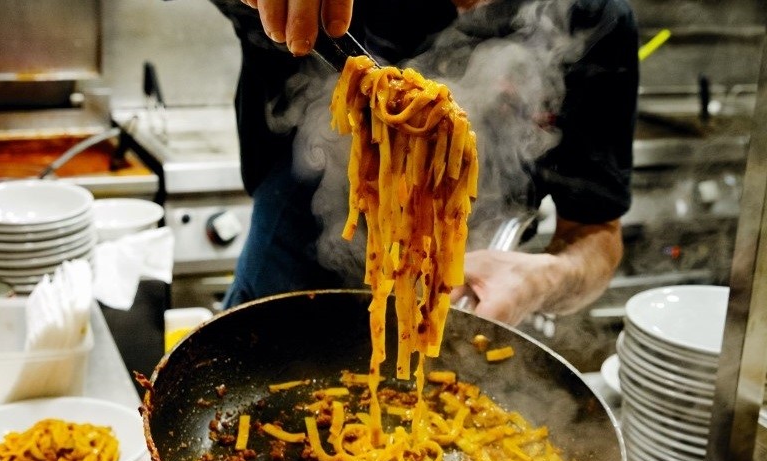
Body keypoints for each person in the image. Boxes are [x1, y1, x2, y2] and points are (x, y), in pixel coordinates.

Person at [208, 0, 638, 326]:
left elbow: (595, 234)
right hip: (278, 297)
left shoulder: (593, 18)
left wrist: (545, 279)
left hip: (451, 318)